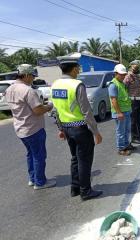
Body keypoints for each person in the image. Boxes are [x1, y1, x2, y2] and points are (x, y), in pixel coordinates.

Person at [51, 54, 103, 200]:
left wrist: (60, 129)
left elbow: (56, 110)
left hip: (67, 128)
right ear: (73, 69)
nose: (79, 71)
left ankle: (75, 188)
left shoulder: (54, 85)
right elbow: (86, 111)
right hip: (80, 128)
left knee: (75, 158)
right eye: (78, 68)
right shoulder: (76, 84)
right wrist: (96, 132)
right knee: (84, 160)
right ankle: (85, 191)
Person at [4, 64, 56, 190]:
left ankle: (32, 179)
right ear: (26, 75)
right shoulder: (28, 90)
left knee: (31, 154)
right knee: (39, 155)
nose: (33, 78)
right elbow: (38, 110)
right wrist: (49, 106)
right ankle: (40, 182)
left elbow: (24, 106)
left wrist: (40, 105)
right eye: (32, 76)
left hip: (20, 128)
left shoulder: (10, 89)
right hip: (33, 129)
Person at [108, 64, 133, 156]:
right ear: (115, 73)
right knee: (121, 131)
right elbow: (113, 100)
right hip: (120, 113)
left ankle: (126, 145)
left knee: (127, 130)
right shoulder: (113, 84)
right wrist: (119, 113)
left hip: (126, 111)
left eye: (124, 74)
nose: (123, 76)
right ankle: (121, 148)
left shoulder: (122, 83)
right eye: (121, 74)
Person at [123, 60, 140, 144]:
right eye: (135, 66)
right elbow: (124, 88)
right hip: (132, 100)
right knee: (133, 120)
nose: (137, 67)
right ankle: (134, 137)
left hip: (139, 99)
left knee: (139, 119)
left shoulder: (137, 76)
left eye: (138, 66)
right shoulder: (128, 76)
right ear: (131, 66)